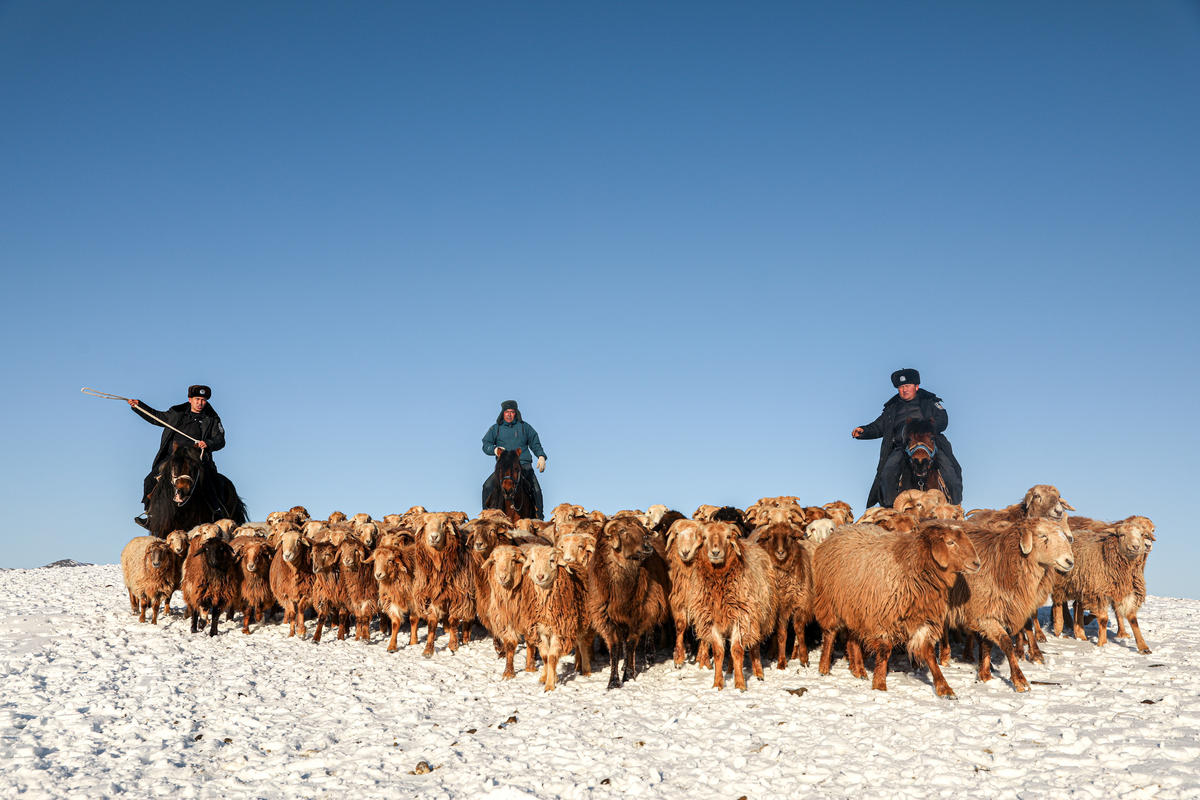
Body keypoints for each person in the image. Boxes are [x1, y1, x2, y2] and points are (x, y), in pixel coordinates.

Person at [851, 368, 963, 508]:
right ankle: (890, 509)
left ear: (916, 386)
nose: (904, 390)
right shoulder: (892, 408)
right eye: (901, 387)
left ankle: (955, 507)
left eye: (908, 386)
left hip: (929, 445)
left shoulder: (930, 401)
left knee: (951, 472)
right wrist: (864, 431)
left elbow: (943, 419)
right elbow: (879, 426)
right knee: (886, 474)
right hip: (902, 447)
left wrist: (927, 427)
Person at [129, 384, 226, 527]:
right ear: (190, 399)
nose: (200, 403)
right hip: (174, 457)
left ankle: (217, 512)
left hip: (197, 458)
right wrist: (138, 406)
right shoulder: (177, 413)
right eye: (197, 399)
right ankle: (150, 515)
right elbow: (157, 417)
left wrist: (208, 443)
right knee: (149, 480)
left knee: (209, 480)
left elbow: (220, 440)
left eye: (203, 400)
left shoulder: (212, 419)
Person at [481, 400, 547, 519]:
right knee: (487, 486)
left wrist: (541, 456)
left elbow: (535, 443)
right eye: (507, 412)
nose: (509, 414)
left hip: (523, 465)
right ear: (503, 413)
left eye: (512, 412)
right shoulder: (496, 429)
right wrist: (494, 450)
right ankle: (486, 517)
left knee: (536, 489)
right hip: (504, 468)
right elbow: (486, 444)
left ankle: (539, 517)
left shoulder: (524, 427)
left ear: (516, 413)